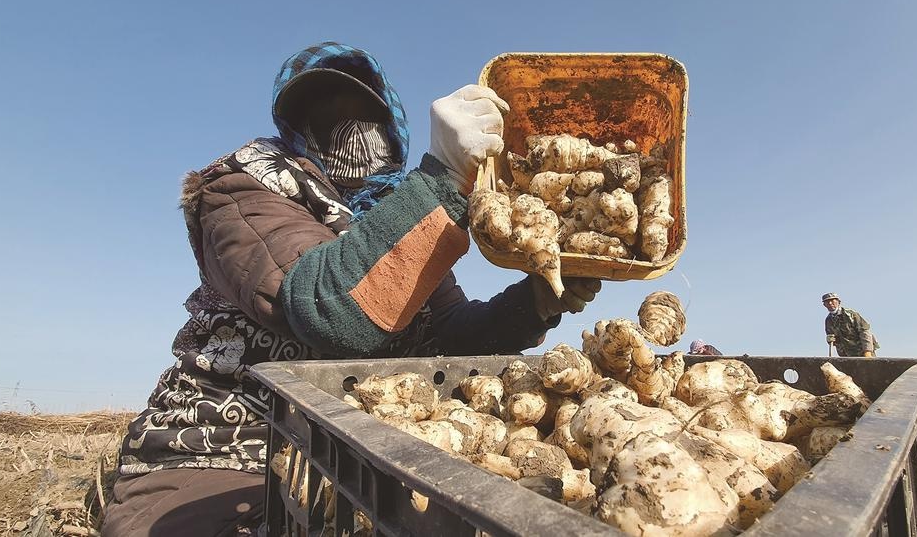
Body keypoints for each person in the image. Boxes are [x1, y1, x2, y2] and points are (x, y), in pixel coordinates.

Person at [101, 42, 601, 536]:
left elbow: (452, 336)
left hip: (374, 456)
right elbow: (328, 311)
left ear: (391, 128)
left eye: (364, 115)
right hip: (228, 452)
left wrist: (535, 300)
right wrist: (445, 176)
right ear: (295, 127)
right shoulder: (245, 188)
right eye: (325, 114)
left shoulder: (399, 215)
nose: (350, 131)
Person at [822, 292, 878, 357]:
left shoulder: (850, 314)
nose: (830, 303)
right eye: (827, 302)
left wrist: (867, 352)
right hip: (846, 355)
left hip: (861, 352)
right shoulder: (828, 320)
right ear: (824, 305)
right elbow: (833, 340)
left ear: (838, 302)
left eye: (832, 300)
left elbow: (864, 332)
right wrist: (831, 340)